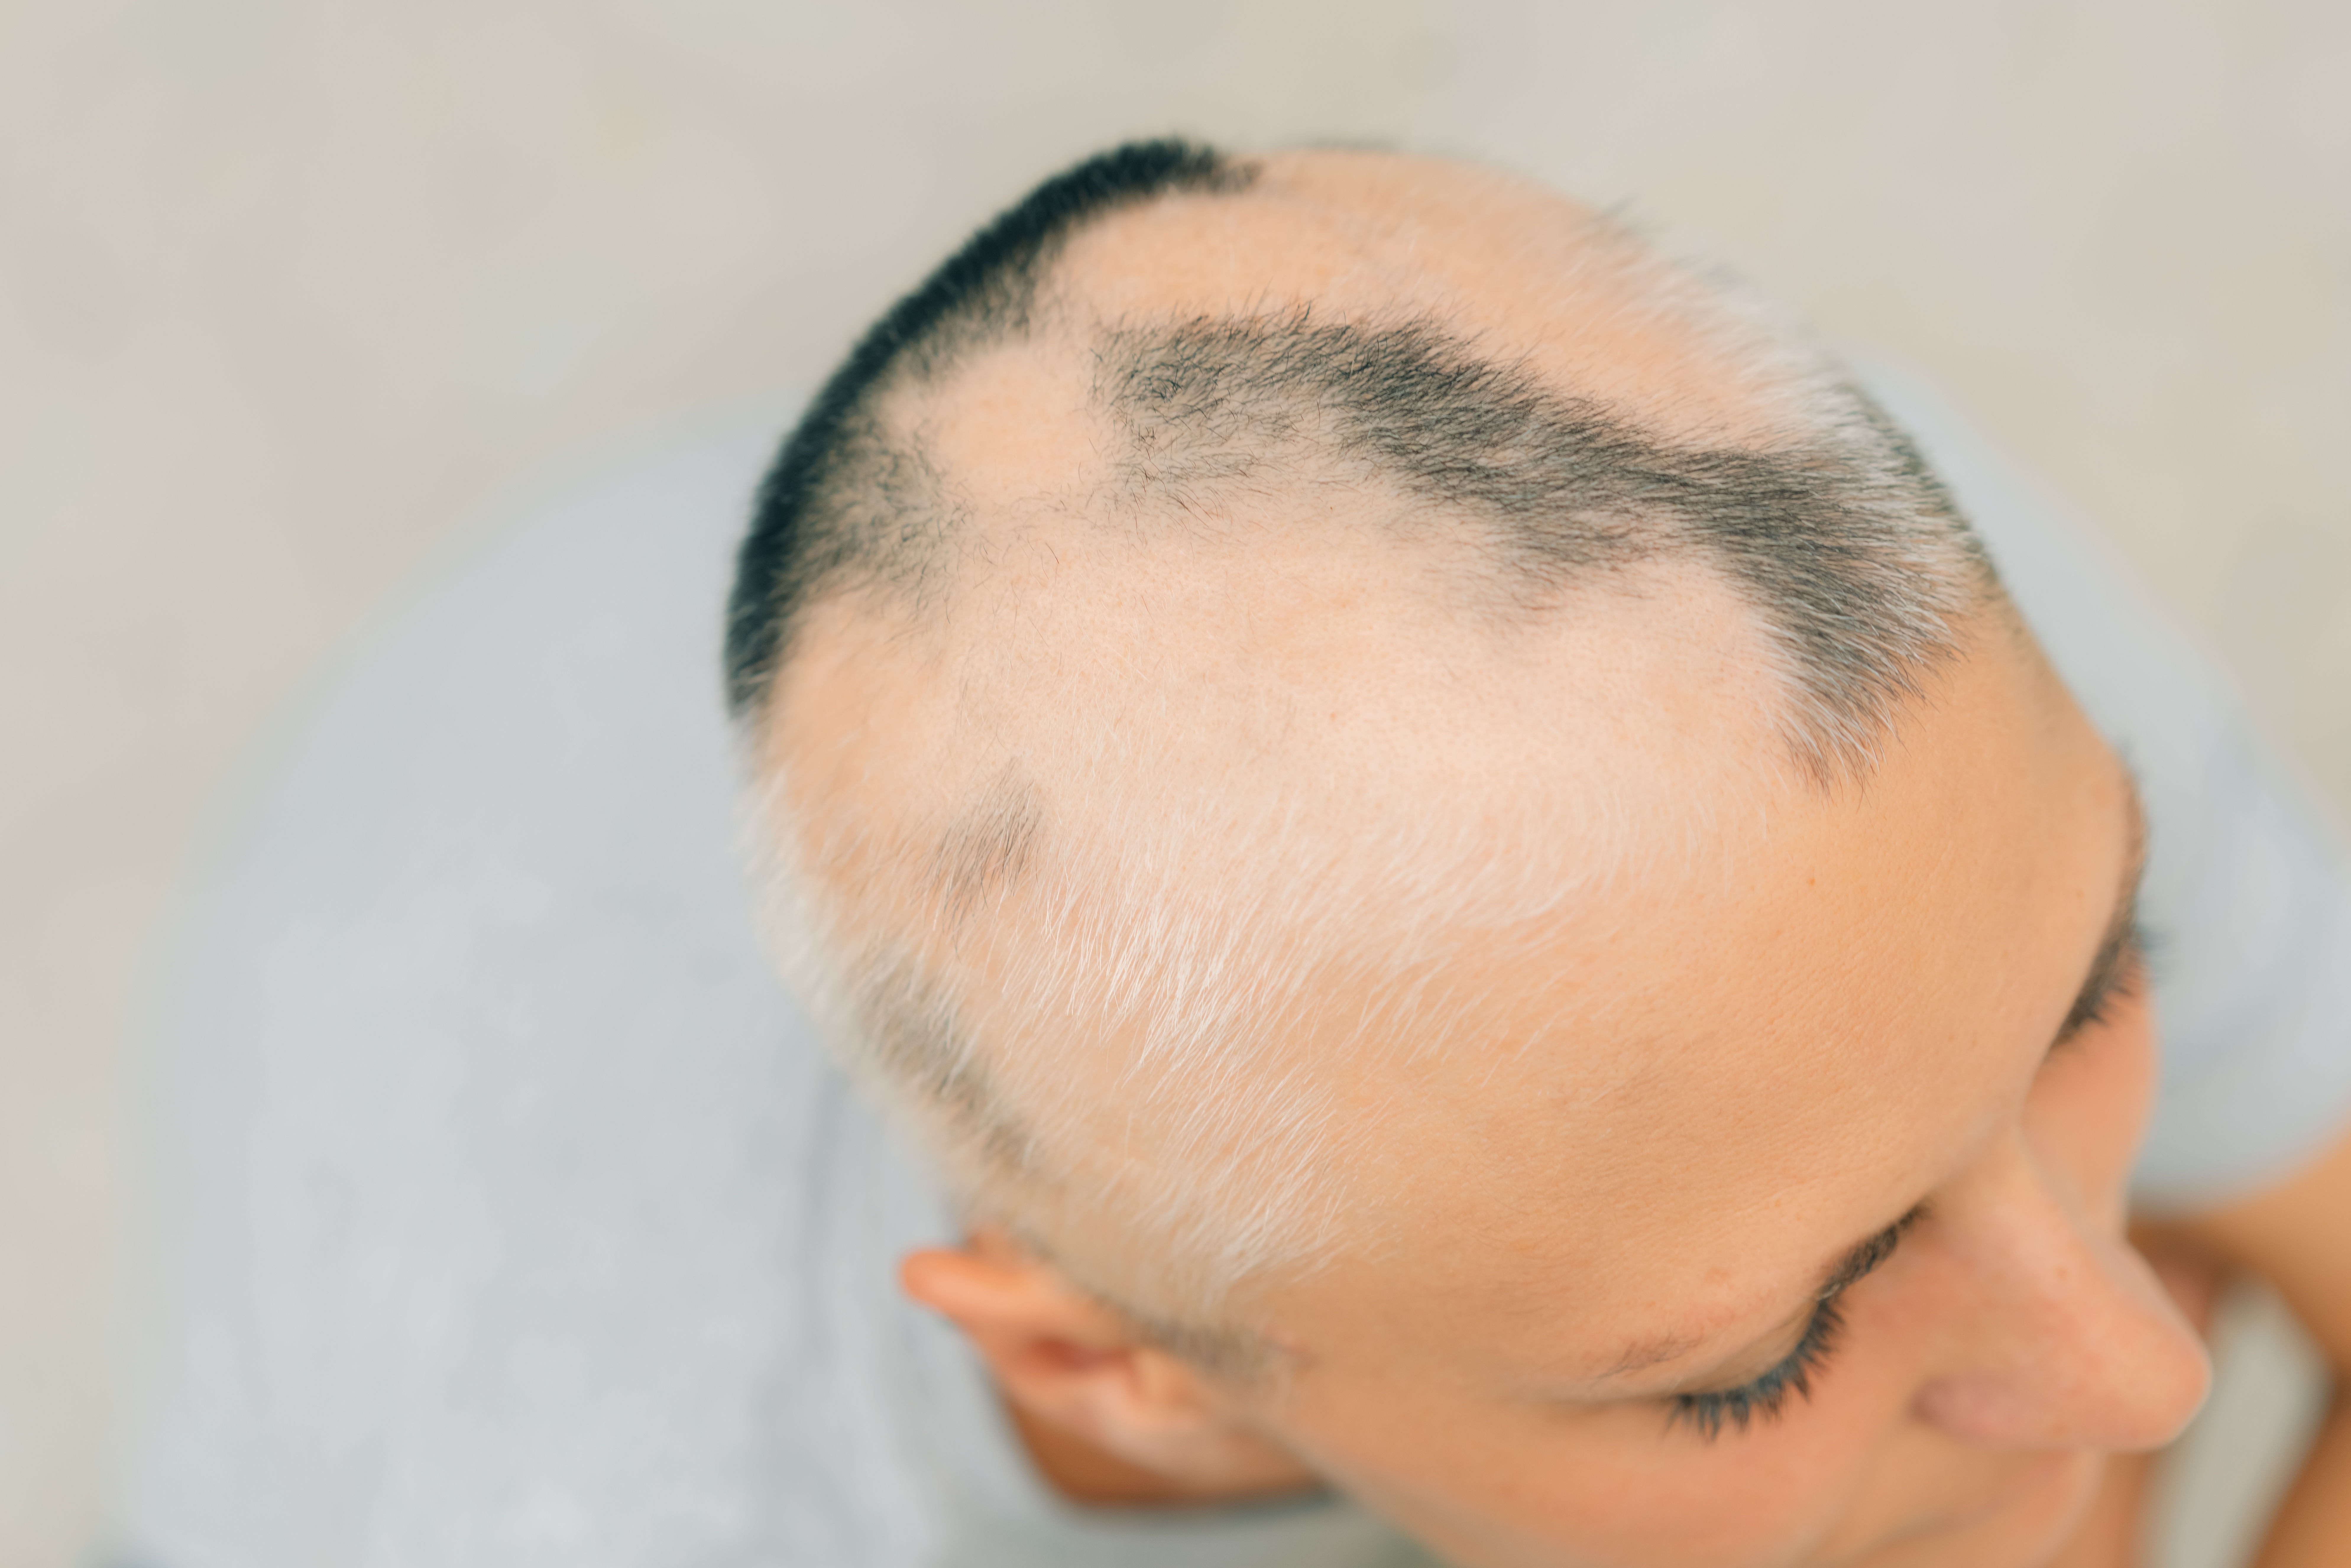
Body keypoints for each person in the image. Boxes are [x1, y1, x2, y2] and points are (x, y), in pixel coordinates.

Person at [116, 142, 2351, 1568]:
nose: (2142, 1361)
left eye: (2094, 977)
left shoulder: (1794, 637)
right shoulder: (589, 1491)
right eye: (1758, 1352)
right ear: (1120, 1370)